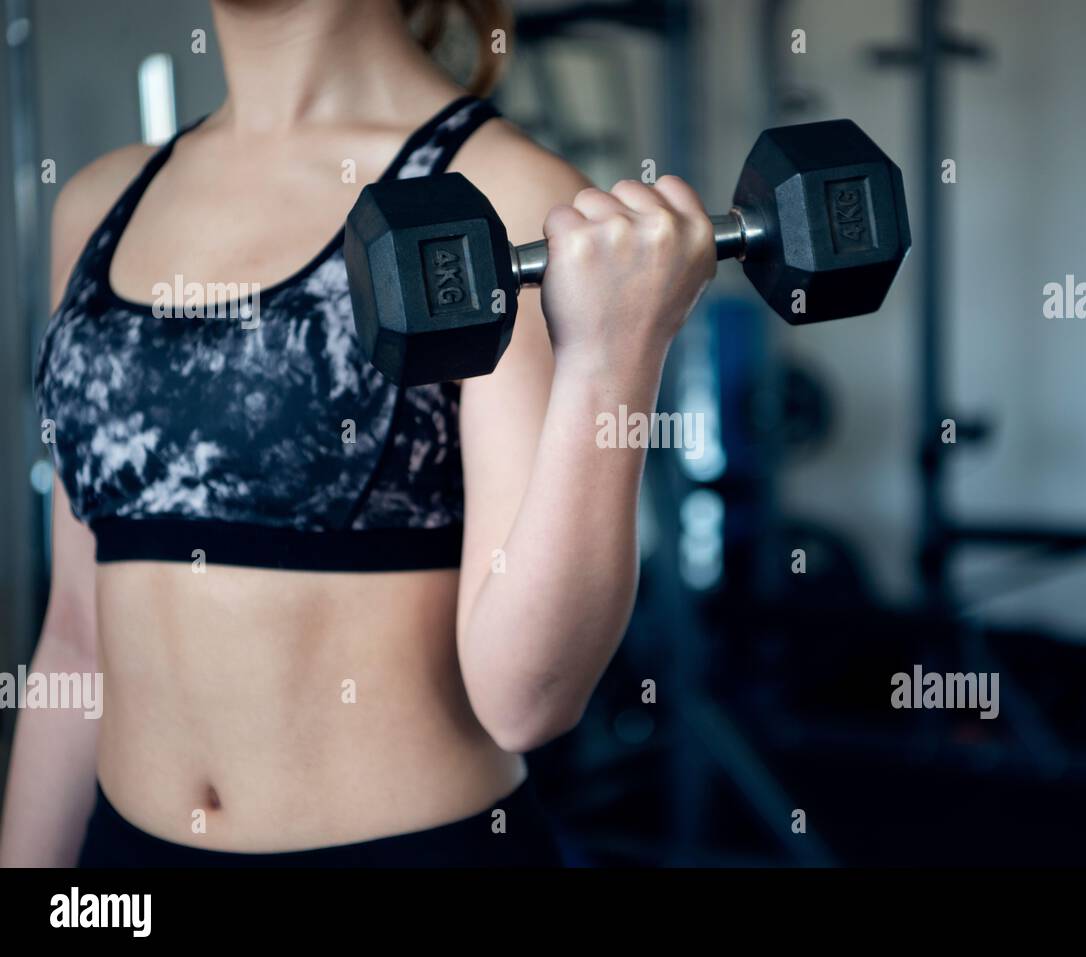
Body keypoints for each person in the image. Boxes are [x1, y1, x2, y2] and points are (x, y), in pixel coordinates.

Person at [0, 0, 716, 866]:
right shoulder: (97, 202)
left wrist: (614, 361)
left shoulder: (501, 196)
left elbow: (527, 701)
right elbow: (77, 629)